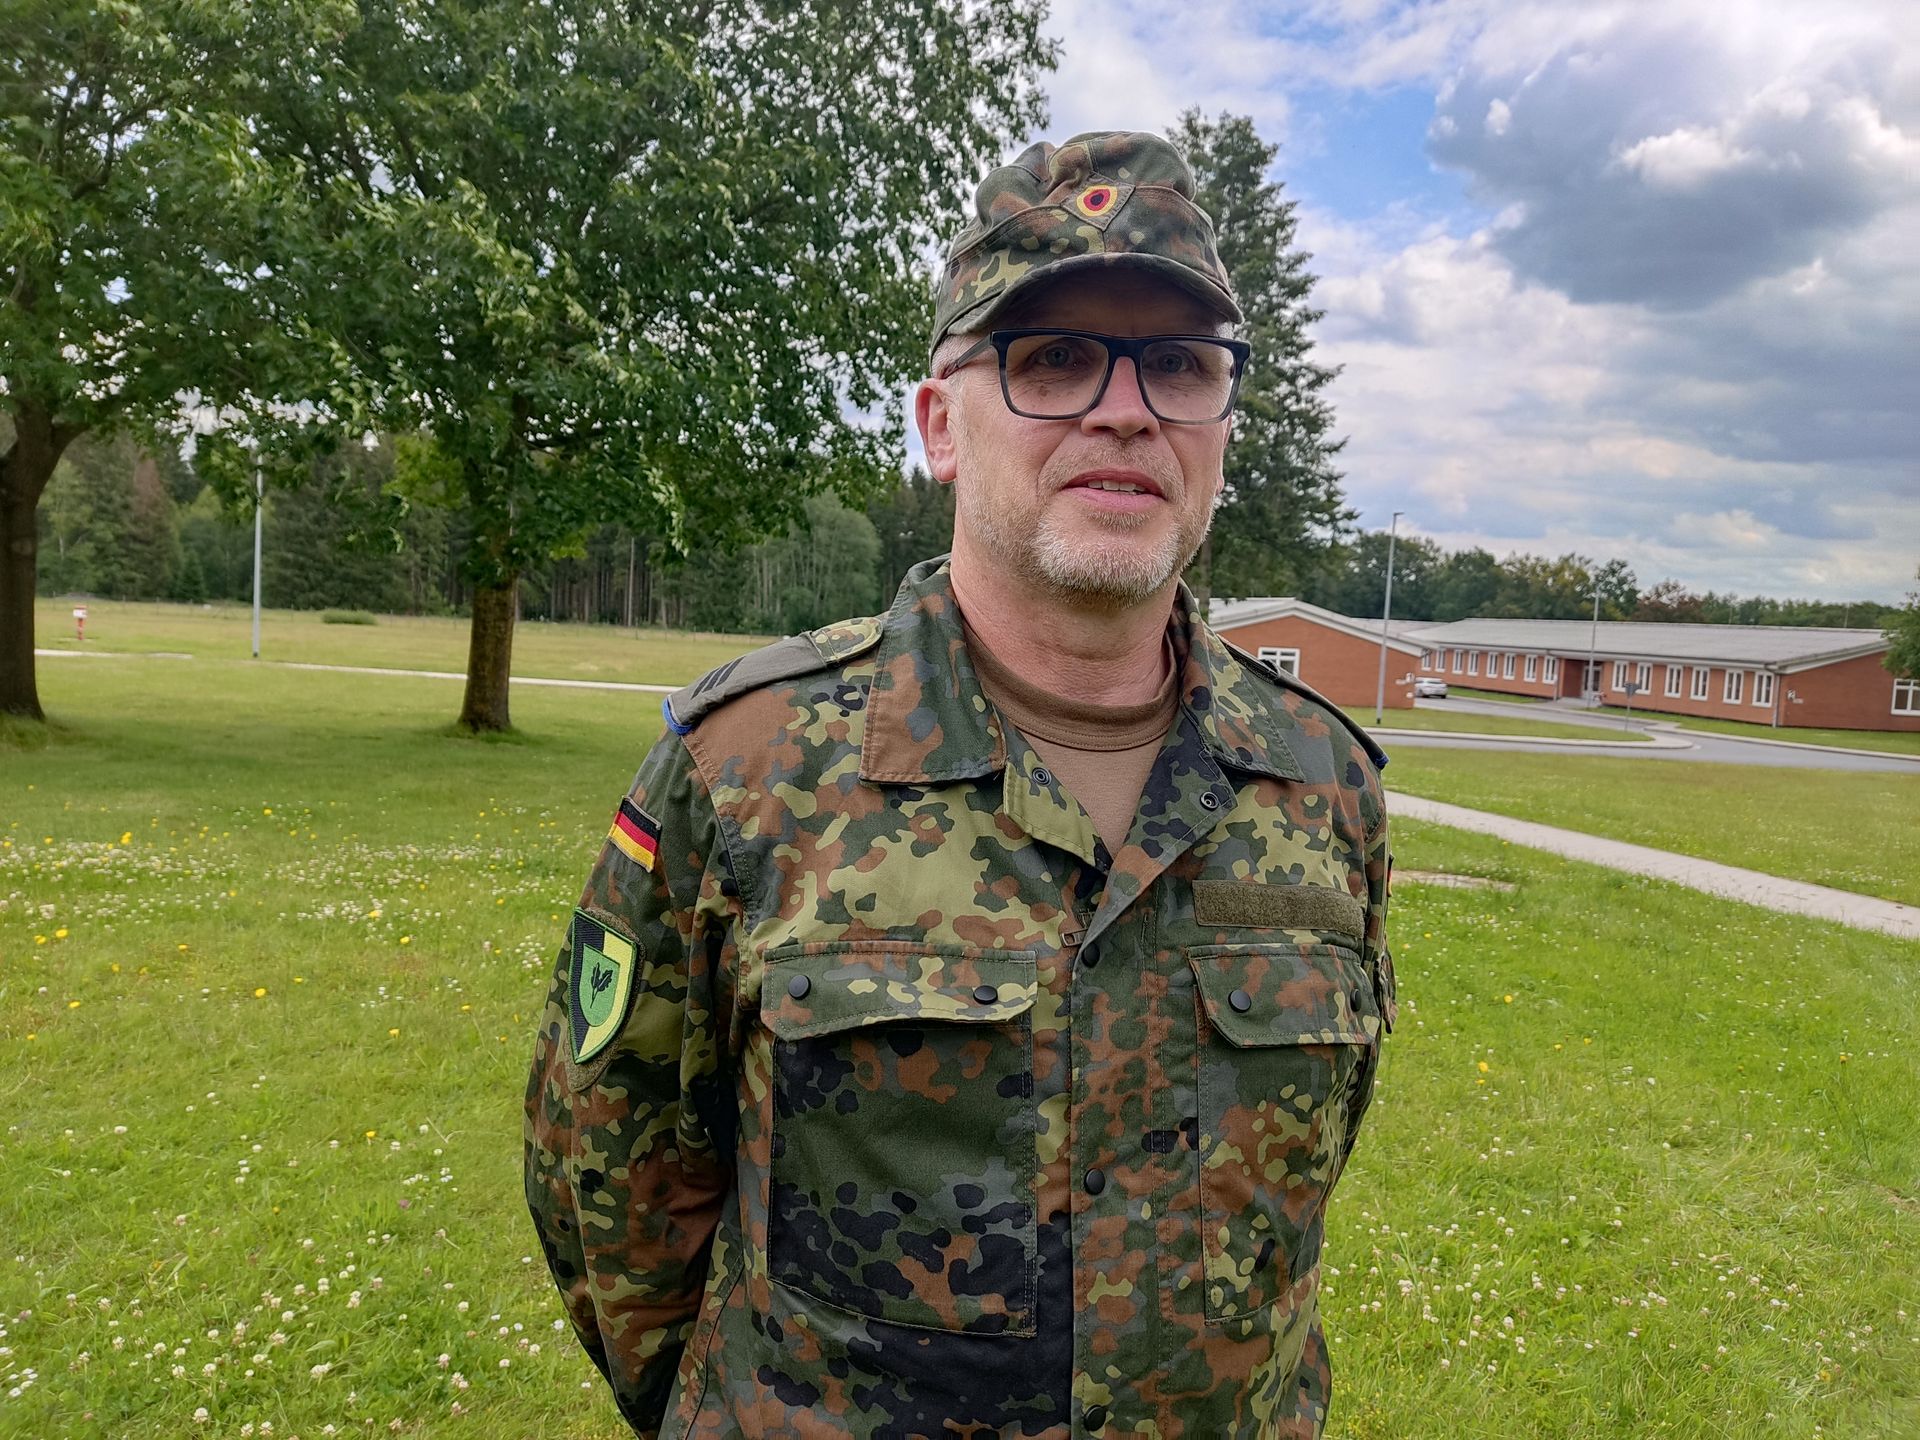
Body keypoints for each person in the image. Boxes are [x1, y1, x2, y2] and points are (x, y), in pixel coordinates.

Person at [525, 129, 1396, 1440]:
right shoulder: (750, 765)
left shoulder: (1322, 781)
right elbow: (608, 1185)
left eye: (1178, 365)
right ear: (940, 425)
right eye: (1052, 359)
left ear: (1224, 425)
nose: (1126, 410)